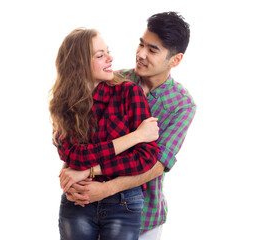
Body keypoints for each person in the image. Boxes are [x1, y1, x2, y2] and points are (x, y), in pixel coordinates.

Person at [62, 12, 196, 240]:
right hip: (85, 206)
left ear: (175, 60)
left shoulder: (182, 105)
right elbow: (80, 132)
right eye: (141, 44)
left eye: (152, 50)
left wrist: (102, 185)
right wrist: (70, 170)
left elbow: (156, 165)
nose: (141, 54)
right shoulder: (114, 79)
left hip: (143, 216)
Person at [49, 28, 162, 240]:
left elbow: (146, 157)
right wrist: (135, 136)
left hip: (124, 202)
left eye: (107, 52)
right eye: (100, 55)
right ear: (79, 64)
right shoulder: (63, 103)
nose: (110, 58)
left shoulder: (128, 93)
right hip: (78, 200)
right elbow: (74, 156)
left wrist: (87, 171)